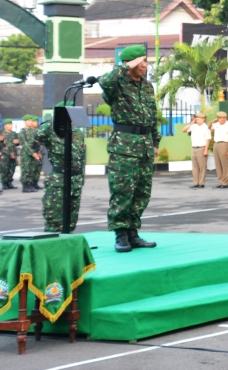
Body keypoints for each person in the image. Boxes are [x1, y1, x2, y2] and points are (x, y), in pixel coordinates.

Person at [97, 44, 159, 253]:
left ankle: (133, 232)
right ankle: (120, 234)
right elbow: (103, 81)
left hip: (144, 144)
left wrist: (155, 142)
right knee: (122, 190)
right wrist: (124, 66)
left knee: (142, 191)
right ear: (130, 63)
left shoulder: (147, 86)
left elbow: (152, 115)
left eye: (145, 61)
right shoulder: (117, 85)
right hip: (125, 144)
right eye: (141, 62)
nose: (144, 65)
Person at [36, 110, 86, 232]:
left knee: (71, 220)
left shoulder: (78, 132)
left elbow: (80, 157)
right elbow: (37, 134)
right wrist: (56, 120)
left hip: (75, 181)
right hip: (59, 180)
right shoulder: (51, 131)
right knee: (55, 220)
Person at [183, 112, 211, 189]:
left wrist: (205, 150)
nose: (197, 120)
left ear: (203, 119)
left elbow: (208, 140)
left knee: (202, 167)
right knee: (195, 167)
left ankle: (201, 183)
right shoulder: (194, 126)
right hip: (194, 148)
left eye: (198, 119)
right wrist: (190, 124)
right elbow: (184, 130)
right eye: (196, 119)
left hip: (201, 148)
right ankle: (196, 182)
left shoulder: (206, 128)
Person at [210, 111, 228, 189]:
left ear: (226, 118)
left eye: (224, 118)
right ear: (218, 119)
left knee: (224, 164)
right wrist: (211, 122)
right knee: (218, 164)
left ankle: (225, 182)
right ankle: (220, 182)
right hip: (216, 144)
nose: (222, 119)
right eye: (220, 118)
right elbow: (208, 128)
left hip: (224, 144)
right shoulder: (216, 125)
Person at [18, 115, 41, 193]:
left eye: (31, 120)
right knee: (26, 170)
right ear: (25, 122)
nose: (30, 122)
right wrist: (32, 153)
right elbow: (25, 144)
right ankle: (25, 186)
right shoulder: (22, 132)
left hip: (34, 153)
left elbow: (37, 143)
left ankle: (30, 185)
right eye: (28, 121)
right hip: (26, 154)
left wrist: (38, 152)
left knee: (32, 169)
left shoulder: (34, 131)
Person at [1, 117, 19, 191]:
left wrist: (17, 142)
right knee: (5, 169)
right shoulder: (2, 133)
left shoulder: (14, 134)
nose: (10, 126)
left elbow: (17, 143)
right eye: (9, 125)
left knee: (12, 168)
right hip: (5, 154)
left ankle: (9, 182)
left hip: (13, 153)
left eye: (11, 124)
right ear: (5, 125)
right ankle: (4, 183)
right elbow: (3, 144)